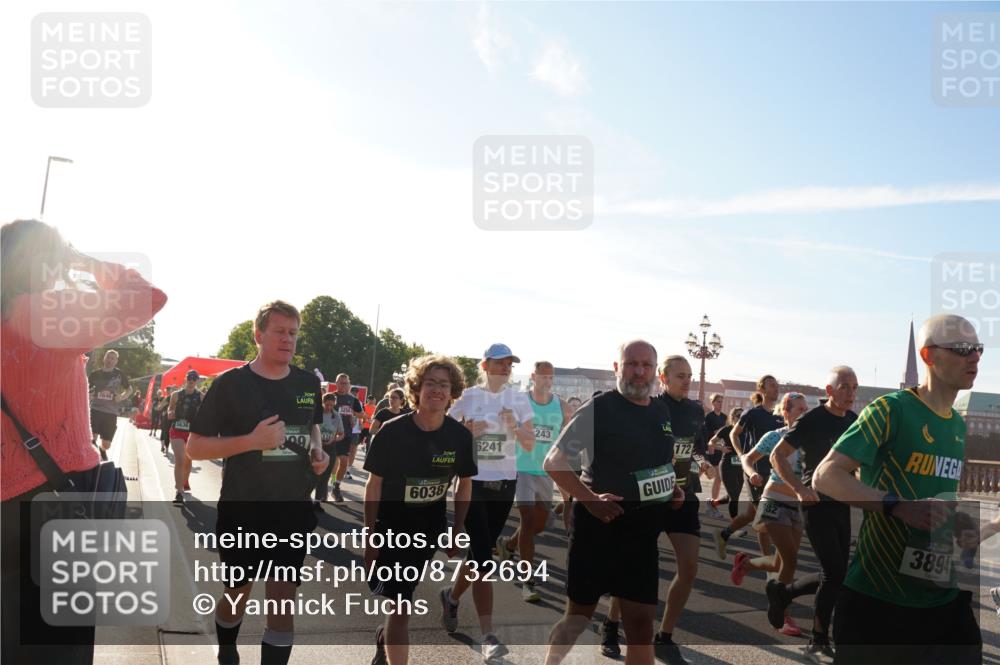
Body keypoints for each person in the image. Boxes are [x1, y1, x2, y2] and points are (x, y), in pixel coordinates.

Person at [1, 219, 166, 665]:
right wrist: (84, 261)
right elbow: (148, 296)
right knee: (62, 643)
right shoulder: (48, 314)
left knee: (11, 636)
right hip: (60, 499)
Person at [814, 315, 983, 665]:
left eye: (978, 349)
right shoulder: (890, 410)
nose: (975, 357)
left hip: (942, 598)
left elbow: (939, 503)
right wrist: (896, 505)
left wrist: (967, 528)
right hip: (879, 602)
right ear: (928, 356)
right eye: (963, 349)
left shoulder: (956, 425)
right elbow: (826, 476)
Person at [187, 300, 329, 665]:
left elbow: (312, 424)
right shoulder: (231, 384)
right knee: (238, 593)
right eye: (279, 331)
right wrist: (251, 441)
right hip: (243, 507)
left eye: (293, 333)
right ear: (259, 335)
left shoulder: (308, 383)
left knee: (282, 600)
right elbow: (195, 447)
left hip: (293, 510)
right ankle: (227, 648)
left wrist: (318, 451)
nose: (287, 339)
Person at [542, 340, 683, 665]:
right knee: (578, 618)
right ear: (617, 368)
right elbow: (554, 461)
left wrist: (670, 489)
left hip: (641, 537)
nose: (639, 371)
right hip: (598, 531)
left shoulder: (661, 410)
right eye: (631, 364)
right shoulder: (600, 408)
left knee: (640, 626)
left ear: (655, 371)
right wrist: (589, 500)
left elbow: (660, 465)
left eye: (646, 365)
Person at [364, 355, 476, 665]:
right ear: (417, 388)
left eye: (444, 384)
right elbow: (374, 484)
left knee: (402, 597)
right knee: (400, 606)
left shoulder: (459, 437)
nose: (437, 390)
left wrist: (458, 530)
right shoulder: (391, 431)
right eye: (430, 383)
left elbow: (464, 484)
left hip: (429, 528)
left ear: (452, 392)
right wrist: (370, 533)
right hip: (391, 528)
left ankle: (384, 638)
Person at [439, 343, 534, 662]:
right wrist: (464, 430)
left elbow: (530, 442)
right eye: (499, 363)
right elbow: (444, 430)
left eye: (510, 363)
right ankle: (488, 635)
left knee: (478, 552)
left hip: (505, 484)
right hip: (473, 483)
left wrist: (515, 427)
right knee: (483, 558)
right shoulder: (469, 397)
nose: (506, 368)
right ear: (485, 365)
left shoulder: (519, 399)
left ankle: (451, 597)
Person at [769, 366, 859, 661]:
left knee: (836, 574)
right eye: (844, 386)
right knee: (834, 574)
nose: (850, 392)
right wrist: (797, 489)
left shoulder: (855, 421)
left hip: (841, 502)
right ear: (829, 391)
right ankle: (819, 639)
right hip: (815, 502)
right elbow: (777, 455)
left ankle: (784, 594)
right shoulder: (812, 420)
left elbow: (861, 462)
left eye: (854, 387)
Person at [733, 393, 812, 637]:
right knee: (790, 559)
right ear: (786, 411)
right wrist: (752, 473)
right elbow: (748, 458)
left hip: (796, 505)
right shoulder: (774, 437)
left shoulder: (810, 440)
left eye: (806, 409)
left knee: (780, 561)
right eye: (799, 409)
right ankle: (781, 612)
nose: (804, 413)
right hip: (772, 500)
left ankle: (745, 564)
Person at [499, 361, 573, 602]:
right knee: (528, 520)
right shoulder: (520, 402)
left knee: (540, 524)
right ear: (533, 377)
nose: (547, 380)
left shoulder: (561, 406)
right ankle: (527, 581)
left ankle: (508, 545)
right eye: (543, 376)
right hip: (522, 469)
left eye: (550, 377)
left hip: (546, 473)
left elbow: (568, 441)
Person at [716, 376, 783, 559]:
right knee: (765, 517)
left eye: (777, 386)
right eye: (772, 386)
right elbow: (733, 434)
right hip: (755, 471)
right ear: (762, 390)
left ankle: (724, 534)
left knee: (749, 514)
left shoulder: (780, 416)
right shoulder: (752, 413)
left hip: (774, 472)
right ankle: (768, 564)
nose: (776, 389)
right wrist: (741, 455)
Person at [167, 370, 203, 504]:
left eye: (194, 379)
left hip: (192, 432)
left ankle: (184, 481)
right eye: (189, 378)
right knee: (180, 459)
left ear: (197, 381)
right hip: (176, 429)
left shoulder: (201, 396)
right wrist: (170, 412)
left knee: (187, 461)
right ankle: (179, 491)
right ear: (185, 379)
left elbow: (207, 413)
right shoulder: (175, 395)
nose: (191, 381)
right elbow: (170, 408)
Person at [88, 349, 130, 460]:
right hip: (95, 409)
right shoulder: (95, 374)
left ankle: (102, 450)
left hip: (111, 412)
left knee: (106, 444)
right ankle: (94, 460)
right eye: (108, 357)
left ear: (116, 361)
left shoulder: (119, 374)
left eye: (112, 358)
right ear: (104, 359)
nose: (110, 360)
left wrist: (120, 397)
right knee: (92, 438)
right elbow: (86, 389)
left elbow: (129, 390)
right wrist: (89, 395)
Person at [330, 373, 364, 502]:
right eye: (341, 382)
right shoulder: (331, 397)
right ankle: (331, 483)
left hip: (346, 435)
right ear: (336, 383)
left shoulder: (353, 399)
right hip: (331, 435)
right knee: (333, 462)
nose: (343, 385)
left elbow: (362, 415)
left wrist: (352, 413)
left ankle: (336, 485)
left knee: (344, 462)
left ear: (349, 385)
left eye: (346, 383)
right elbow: (321, 411)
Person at [709, 407, 744, 521]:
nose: (741, 418)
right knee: (734, 498)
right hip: (727, 466)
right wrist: (721, 448)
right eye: (739, 415)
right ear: (732, 417)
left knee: (733, 496)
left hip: (740, 467)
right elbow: (711, 442)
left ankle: (713, 503)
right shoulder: (726, 429)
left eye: (743, 416)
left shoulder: (746, 430)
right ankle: (735, 525)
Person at [314, 393, 345, 505]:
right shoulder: (317, 413)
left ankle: (320, 499)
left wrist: (334, 439)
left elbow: (341, 434)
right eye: (327, 405)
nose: (329, 407)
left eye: (332, 405)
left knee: (326, 474)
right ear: (323, 403)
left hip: (330, 447)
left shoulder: (336, 416)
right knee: (314, 474)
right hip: (316, 446)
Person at [704, 393, 728, 516]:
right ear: (713, 403)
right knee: (696, 478)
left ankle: (712, 505)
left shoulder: (725, 417)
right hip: (709, 451)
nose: (720, 403)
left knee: (718, 479)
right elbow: (708, 440)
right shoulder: (709, 417)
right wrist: (719, 447)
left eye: (721, 401)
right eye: (718, 401)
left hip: (720, 452)